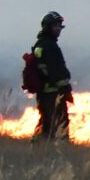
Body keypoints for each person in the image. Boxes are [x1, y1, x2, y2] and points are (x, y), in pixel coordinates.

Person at [32, 11, 73, 142]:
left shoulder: (42, 44)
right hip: (52, 93)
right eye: (55, 26)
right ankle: (60, 149)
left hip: (46, 93)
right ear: (47, 27)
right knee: (59, 124)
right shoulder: (48, 45)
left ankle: (37, 147)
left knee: (46, 124)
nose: (58, 29)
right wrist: (64, 87)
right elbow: (52, 70)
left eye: (60, 26)